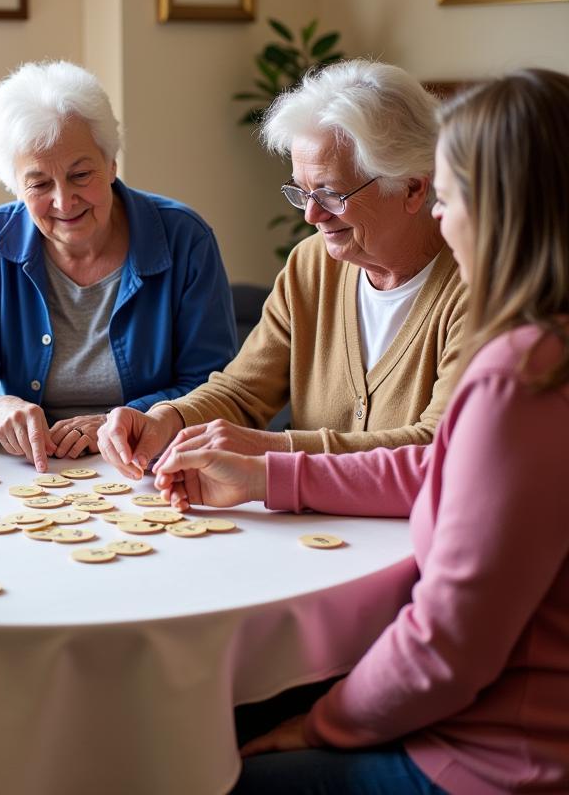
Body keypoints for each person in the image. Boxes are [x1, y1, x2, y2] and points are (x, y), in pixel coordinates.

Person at [152, 68, 569, 794]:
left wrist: (320, 724)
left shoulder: (519, 371)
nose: (442, 216)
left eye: (448, 195)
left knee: (195, 770)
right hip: (487, 708)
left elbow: (447, 647)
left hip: (496, 750)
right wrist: (177, 424)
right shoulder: (538, 346)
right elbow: (440, 471)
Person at [99, 60, 467, 479]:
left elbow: (436, 445)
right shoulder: (311, 266)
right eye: (302, 191)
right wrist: (165, 419)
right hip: (309, 531)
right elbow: (242, 392)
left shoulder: (475, 287)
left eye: (331, 194)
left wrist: (276, 448)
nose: (311, 215)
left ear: (412, 187)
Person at [0, 60, 236, 473]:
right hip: (28, 470)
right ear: (15, 186)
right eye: (39, 184)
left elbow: (215, 385)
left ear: (111, 164)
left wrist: (121, 421)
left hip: (148, 464)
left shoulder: (185, 238)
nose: (63, 201)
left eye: (80, 174)